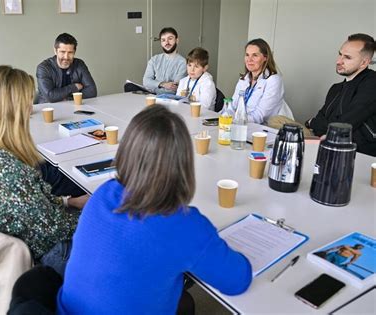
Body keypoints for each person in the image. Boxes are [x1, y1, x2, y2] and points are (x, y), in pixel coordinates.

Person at [57, 105, 252, 314]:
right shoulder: (184, 224)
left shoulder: (105, 192)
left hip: (67, 309)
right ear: (183, 164)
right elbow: (238, 281)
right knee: (184, 302)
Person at [0, 65, 89, 275]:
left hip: (22, 235)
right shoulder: (4, 169)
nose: (31, 109)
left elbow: (29, 203)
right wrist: (99, 212)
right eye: (28, 103)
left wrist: (68, 201)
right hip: (42, 254)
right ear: (13, 110)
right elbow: (54, 232)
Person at [268, 34, 376, 156]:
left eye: (347, 57)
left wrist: (313, 122)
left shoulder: (372, 83)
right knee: (276, 120)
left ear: (364, 63)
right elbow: (320, 117)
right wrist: (314, 123)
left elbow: (347, 122)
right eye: (340, 54)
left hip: (353, 147)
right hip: (321, 137)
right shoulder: (336, 88)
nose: (338, 61)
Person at [228, 38, 285, 124]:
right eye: (247, 55)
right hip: (240, 124)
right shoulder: (244, 79)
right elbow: (232, 107)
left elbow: (259, 116)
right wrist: (225, 117)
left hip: (263, 130)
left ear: (265, 58)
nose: (249, 59)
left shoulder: (274, 80)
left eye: (255, 55)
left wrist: (234, 120)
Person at [36, 33, 97, 104]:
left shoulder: (79, 64)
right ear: (55, 51)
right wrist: (74, 87)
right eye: (62, 52)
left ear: (74, 52)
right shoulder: (43, 68)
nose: (66, 57)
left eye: (70, 52)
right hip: (49, 109)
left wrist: (68, 99)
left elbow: (92, 91)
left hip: (73, 107)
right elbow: (50, 96)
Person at [143, 27, 187, 94]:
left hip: (169, 98)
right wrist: (162, 84)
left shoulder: (183, 62)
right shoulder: (154, 59)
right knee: (129, 86)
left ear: (177, 40)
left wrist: (153, 85)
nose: (167, 42)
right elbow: (146, 81)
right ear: (161, 43)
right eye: (163, 40)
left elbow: (174, 88)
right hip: (151, 95)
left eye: (170, 38)